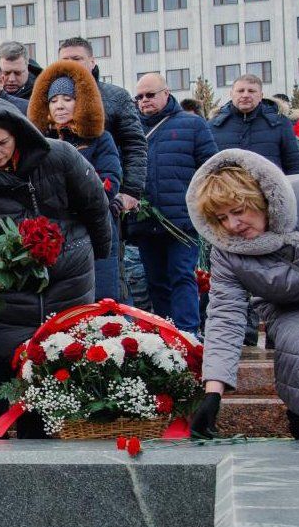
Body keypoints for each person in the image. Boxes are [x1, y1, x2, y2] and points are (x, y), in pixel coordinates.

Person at [0, 95, 111, 439]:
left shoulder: (60, 156)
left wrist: (88, 257)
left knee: (45, 404)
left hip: (64, 287)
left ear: (18, 133)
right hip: (1, 299)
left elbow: (96, 208)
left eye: (2, 143)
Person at [186, 149, 299, 440]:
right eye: (221, 218)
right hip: (293, 310)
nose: (232, 226)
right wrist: (213, 393)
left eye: (238, 211)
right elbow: (225, 314)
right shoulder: (228, 250)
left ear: (261, 198)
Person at [125, 73, 219, 334]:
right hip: (145, 222)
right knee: (156, 282)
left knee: (182, 276)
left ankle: (189, 335)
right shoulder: (131, 129)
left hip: (181, 221)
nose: (144, 101)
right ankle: (166, 336)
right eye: (139, 96)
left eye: (150, 95)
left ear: (166, 93)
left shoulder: (193, 125)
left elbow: (210, 170)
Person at [27, 62, 122, 302]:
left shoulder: (100, 139)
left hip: (94, 226)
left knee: (101, 298)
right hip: (52, 231)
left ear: (80, 102)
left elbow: (109, 181)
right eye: (53, 100)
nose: (59, 105)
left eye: (67, 99)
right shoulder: (37, 144)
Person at [58, 37, 148, 214]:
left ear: (92, 62)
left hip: (106, 195)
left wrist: (131, 191)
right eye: (65, 61)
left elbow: (135, 144)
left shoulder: (116, 97)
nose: (71, 65)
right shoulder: (48, 99)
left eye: (77, 59)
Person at [209, 75, 299, 175]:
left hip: (269, 190)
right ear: (231, 94)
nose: (245, 95)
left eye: (251, 91)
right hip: (226, 190)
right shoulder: (213, 126)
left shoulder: (280, 124)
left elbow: (294, 166)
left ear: (261, 95)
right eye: (240, 91)